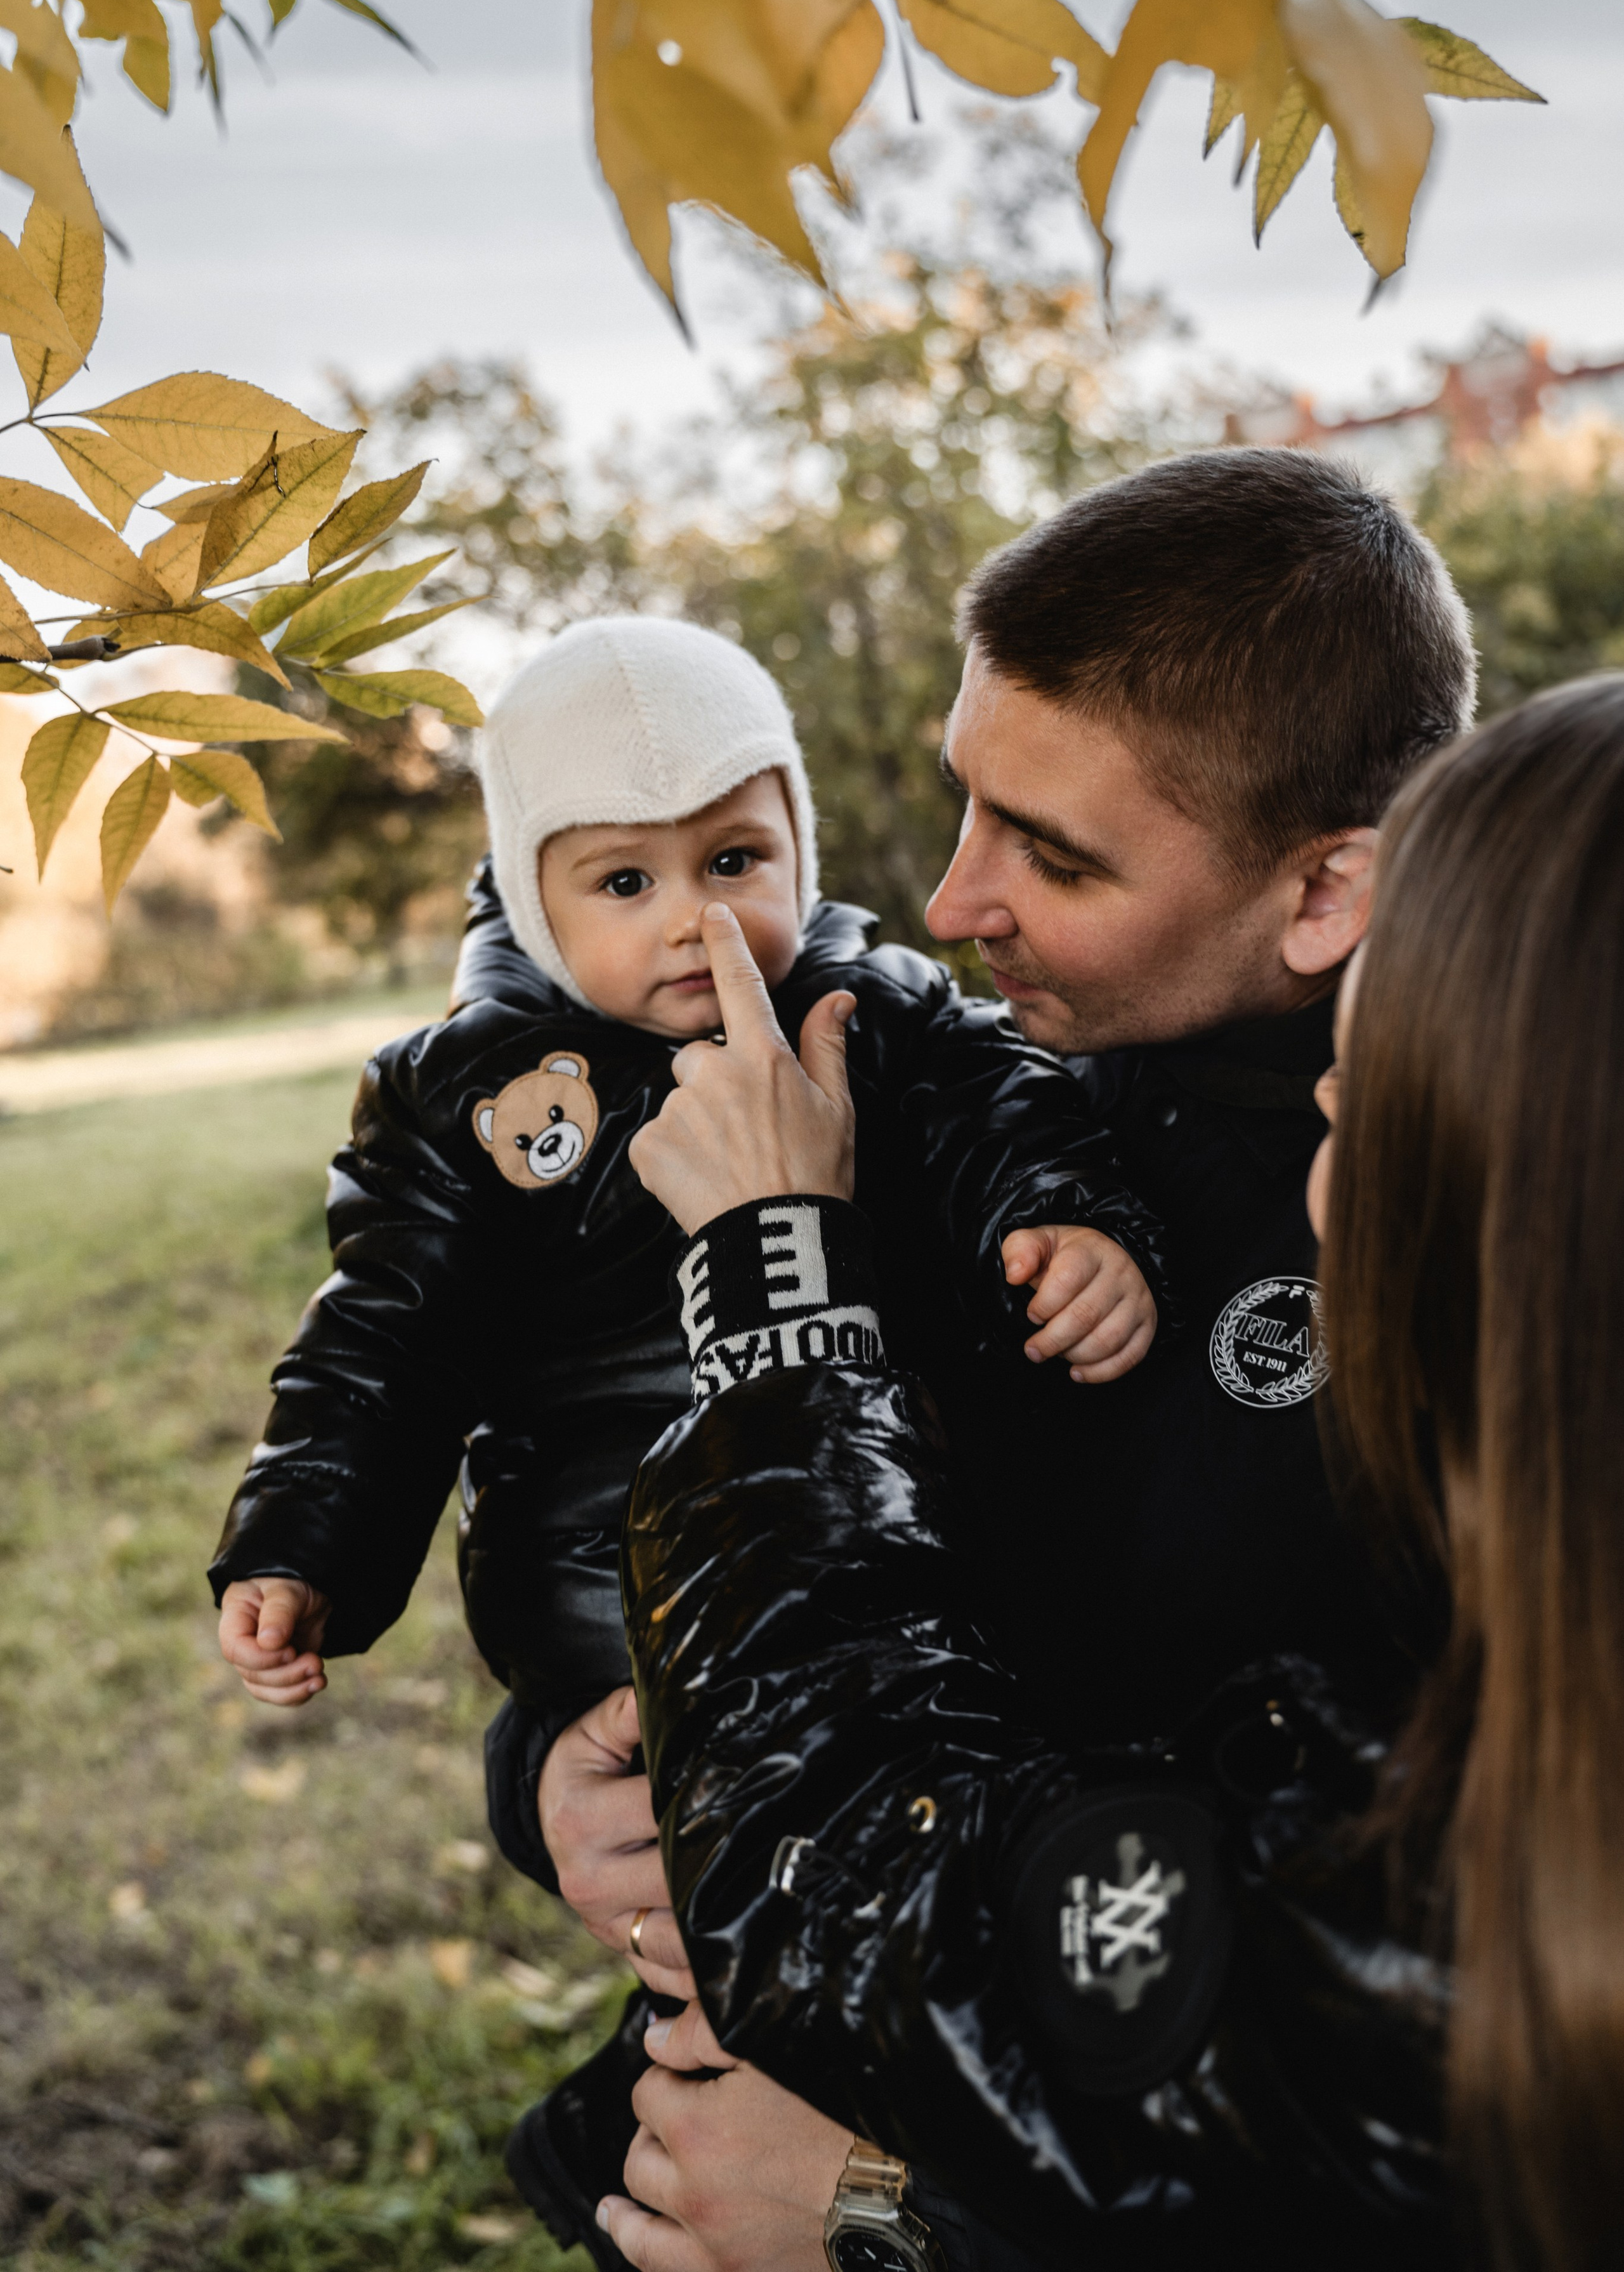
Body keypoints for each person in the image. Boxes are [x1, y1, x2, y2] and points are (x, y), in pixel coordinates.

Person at [579, 449, 1477, 2269]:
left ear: (1323, 896)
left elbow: (1378, 2112)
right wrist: (560, 1770)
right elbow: (694, 1518)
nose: (950, 899)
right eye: (962, 804)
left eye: (1052, 853)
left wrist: (893, 2209)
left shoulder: (1461, 1285)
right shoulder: (919, 1111)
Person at [204, 616, 1167, 2261]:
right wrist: (306, 1545)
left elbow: (1018, 1104)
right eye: (625, 883)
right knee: (721, 1912)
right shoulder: (478, 1101)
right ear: (530, 888)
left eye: (737, 855)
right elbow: (380, 1349)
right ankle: (700, 2131)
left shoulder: (878, 1010)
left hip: (891, 1556)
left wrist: (1066, 1224)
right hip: (612, 1594)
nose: (699, 922)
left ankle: (780, 2152)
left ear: (797, 832)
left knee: (844, 1912)